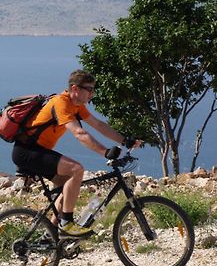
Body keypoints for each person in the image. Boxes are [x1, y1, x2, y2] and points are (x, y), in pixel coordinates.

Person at [12, 69, 141, 238]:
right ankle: (67, 223)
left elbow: (99, 125)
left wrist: (124, 141)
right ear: (75, 89)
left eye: (93, 89)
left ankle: (50, 235)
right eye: (89, 89)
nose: (92, 93)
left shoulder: (77, 106)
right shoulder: (62, 103)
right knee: (76, 169)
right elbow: (79, 134)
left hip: (38, 151)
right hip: (26, 151)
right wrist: (105, 152)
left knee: (68, 185)